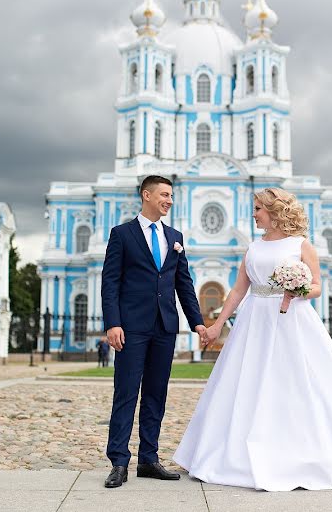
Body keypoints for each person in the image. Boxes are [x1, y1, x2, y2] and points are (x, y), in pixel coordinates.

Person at [173, 187, 332, 491]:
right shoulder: (253, 249)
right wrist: (217, 325)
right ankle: (233, 454)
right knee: (247, 381)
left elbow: (316, 287)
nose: (254, 213)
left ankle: (304, 452)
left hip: (292, 323)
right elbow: (237, 292)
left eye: (258, 208)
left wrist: (296, 290)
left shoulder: (301, 245)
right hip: (255, 321)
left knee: (296, 381)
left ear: (274, 212)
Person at [102, 176, 208, 489]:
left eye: (171, 195)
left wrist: (197, 322)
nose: (169, 200)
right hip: (130, 328)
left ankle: (149, 459)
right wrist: (112, 323)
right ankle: (119, 461)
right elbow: (110, 282)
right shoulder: (122, 234)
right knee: (126, 393)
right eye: (164, 194)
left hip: (164, 327)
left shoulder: (175, 236)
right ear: (146, 195)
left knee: (155, 395)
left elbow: (183, 284)